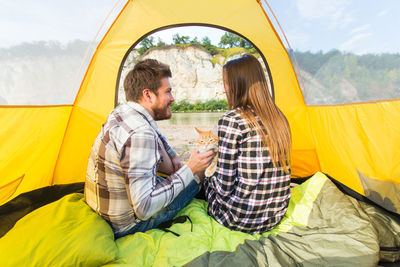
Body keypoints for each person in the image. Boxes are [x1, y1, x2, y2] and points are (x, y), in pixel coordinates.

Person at [84, 59, 215, 238]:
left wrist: (173, 156)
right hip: (128, 224)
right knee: (198, 173)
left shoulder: (123, 112)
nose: (173, 98)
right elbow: (144, 209)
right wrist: (191, 169)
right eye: (168, 92)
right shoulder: (140, 134)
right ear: (148, 95)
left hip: (108, 210)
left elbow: (155, 133)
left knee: (182, 168)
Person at [204, 54, 292, 234]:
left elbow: (224, 187)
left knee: (204, 178)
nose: (224, 90)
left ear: (238, 85)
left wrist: (207, 175)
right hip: (274, 216)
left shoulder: (232, 120)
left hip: (241, 219)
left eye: (226, 84)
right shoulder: (279, 118)